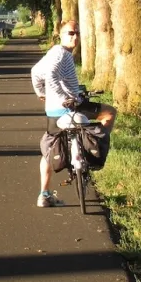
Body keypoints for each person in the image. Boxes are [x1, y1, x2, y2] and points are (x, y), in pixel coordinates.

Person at [30, 20, 116, 207]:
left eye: (77, 33)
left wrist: (42, 93)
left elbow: (35, 72)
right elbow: (51, 75)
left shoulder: (53, 53)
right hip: (72, 106)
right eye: (70, 33)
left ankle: (44, 194)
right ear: (60, 35)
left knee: (49, 150)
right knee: (110, 112)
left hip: (53, 111)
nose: (75, 36)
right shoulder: (62, 54)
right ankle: (94, 149)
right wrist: (66, 97)